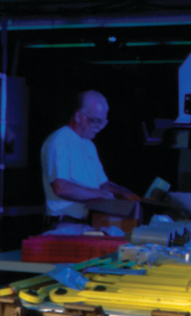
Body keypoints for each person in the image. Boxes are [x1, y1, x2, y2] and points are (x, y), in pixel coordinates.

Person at [41, 90, 139, 221]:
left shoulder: (89, 145)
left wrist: (123, 193)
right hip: (64, 222)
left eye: (103, 122)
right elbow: (61, 187)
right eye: (95, 121)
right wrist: (100, 194)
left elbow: (102, 184)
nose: (99, 127)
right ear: (78, 116)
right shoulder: (59, 141)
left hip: (88, 220)